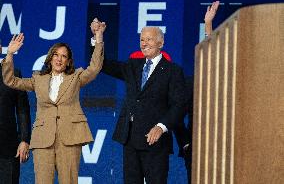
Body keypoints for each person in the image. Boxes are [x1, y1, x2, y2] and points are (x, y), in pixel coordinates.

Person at [1, 23, 105, 184]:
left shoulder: (76, 78)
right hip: (43, 139)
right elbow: (10, 80)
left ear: (68, 61)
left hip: (69, 138)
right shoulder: (38, 79)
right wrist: (9, 54)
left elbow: (95, 68)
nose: (59, 59)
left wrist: (98, 38)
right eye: (56, 55)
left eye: (64, 56)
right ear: (50, 58)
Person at [91, 20, 187, 184]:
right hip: (130, 139)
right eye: (142, 39)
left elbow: (179, 105)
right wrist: (98, 37)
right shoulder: (133, 65)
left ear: (161, 42)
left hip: (155, 141)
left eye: (149, 39)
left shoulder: (173, 71)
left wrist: (161, 127)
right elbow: (103, 65)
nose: (144, 43)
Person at [174, 1, 219, 184]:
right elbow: (175, 115)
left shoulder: (228, 84)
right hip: (196, 151)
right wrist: (185, 143)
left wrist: (209, 25)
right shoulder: (190, 83)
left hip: (224, 151)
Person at [0, 45, 31, 184]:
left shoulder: (13, 73)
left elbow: (22, 109)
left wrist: (24, 139)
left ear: (0, 48)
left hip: (8, 147)